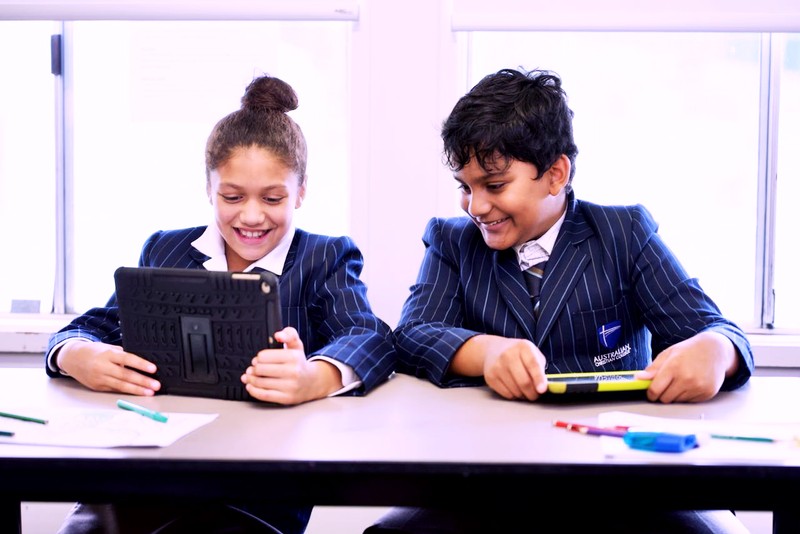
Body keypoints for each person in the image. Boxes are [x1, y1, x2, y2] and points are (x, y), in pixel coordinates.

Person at [366, 68, 754, 533]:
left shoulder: (624, 234)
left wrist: (717, 351)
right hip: (485, 479)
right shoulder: (452, 242)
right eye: (464, 188)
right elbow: (411, 337)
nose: (475, 206)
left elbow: (717, 330)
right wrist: (485, 352)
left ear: (556, 174)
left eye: (493, 185)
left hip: (622, 480)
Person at [45, 74, 396, 534]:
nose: (251, 216)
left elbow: (371, 336)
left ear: (302, 192)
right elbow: (96, 326)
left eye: (273, 198)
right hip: (149, 475)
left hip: (260, 493)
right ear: (209, 190)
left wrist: (316, 375)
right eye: (232, 197)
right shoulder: (165, 250)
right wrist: (75, 354)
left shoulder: (323, 257)